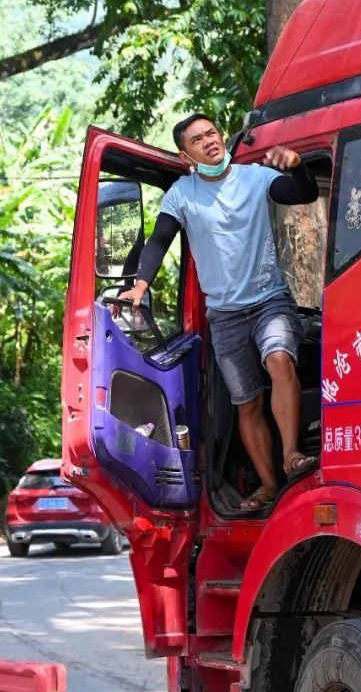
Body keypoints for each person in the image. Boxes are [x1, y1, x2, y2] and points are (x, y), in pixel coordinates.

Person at [119, 113, 320, 512]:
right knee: (247, 403)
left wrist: (297, 167)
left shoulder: (255, 178)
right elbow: (159, 240)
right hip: (225, 315)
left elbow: (303, 193)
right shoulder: (182, 195)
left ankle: (291, 455)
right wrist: (140, 285)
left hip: (269, 299)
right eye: (197, 140)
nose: (209, 141)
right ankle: (268, 485)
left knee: (279, 359)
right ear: (185, 155)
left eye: (211, 133)